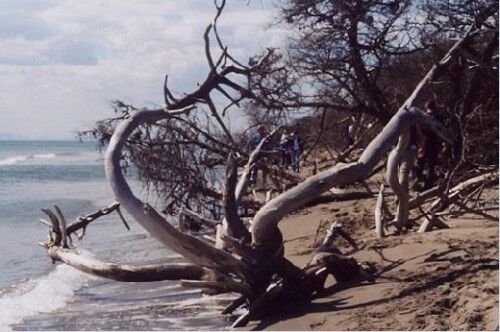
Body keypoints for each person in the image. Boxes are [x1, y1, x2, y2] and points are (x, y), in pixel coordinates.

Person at [413, 100, 446, 190]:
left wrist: (420, 144)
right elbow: (442, 133)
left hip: (421, 144)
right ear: (434, 108)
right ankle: (428, 187)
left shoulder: (420, 118)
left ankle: (417, 182)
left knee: (420, 164)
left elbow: (417, 132)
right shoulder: (438, 118)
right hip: (433, 144)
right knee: (431, 165)